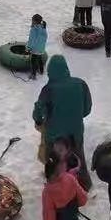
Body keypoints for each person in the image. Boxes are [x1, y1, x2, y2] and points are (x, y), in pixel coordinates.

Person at [32, 55, 93, 190]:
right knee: (78, 157)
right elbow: (87, 108)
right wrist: (75, 117)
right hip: (75, 131)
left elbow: (39, 112)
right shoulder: (80, 84)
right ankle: (84, 185)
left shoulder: (48, 89)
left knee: (53, 160)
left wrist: (38, 119)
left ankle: (55, 186)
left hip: (54, 134)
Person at [27, 14, 48, 80]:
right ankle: (41, 71)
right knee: (39, 58)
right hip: (41, 48)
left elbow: (31, 40)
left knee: (33, 61)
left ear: (35, 21)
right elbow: (45, 38)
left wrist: (29, 47)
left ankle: (33, 74)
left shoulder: (34, 30)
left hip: (35, 49)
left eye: (32, 20)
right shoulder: (43, 28)